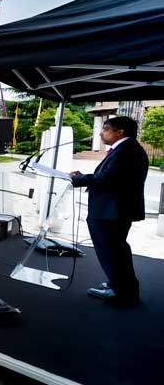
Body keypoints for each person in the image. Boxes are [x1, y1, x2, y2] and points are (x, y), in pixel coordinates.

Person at [70, 117, 148, 305]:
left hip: (112, 211)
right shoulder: (126, 149)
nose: (100, 133)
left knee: (111, 250)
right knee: (117, 250)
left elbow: (109, 178)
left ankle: (121, 291)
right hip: (114, 210)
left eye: (105, 129)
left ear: (120, 132)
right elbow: (112, 176)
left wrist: (81, 179)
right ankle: (122, 285)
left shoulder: (126, 151)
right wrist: (85, 177)